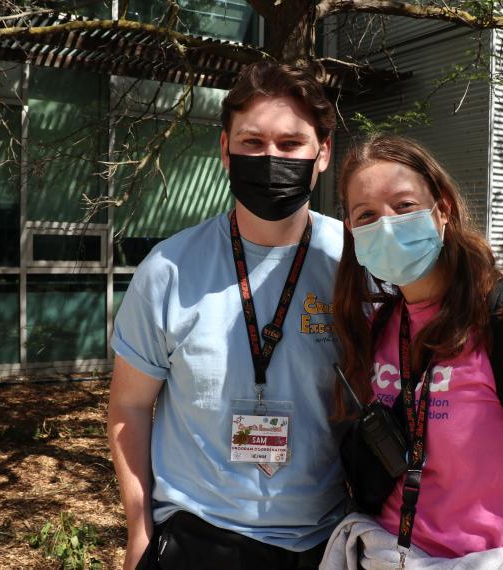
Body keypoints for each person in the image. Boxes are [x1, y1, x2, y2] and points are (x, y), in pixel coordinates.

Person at [107, 62, 347, 570]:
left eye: (290, 144)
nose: (271, 157)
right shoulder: (169, 269)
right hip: (199, 536)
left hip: (328, 540)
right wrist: (138, 531)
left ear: (322, 153)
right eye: (253, 143)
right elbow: (129, 407)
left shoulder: (357, 263)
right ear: (224, 150)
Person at [322, 134, 503, 569]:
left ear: (443, 209)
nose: (387, 225)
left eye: (404, 205)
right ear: (353, 234)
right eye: (367, 216)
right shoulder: (378, 327)